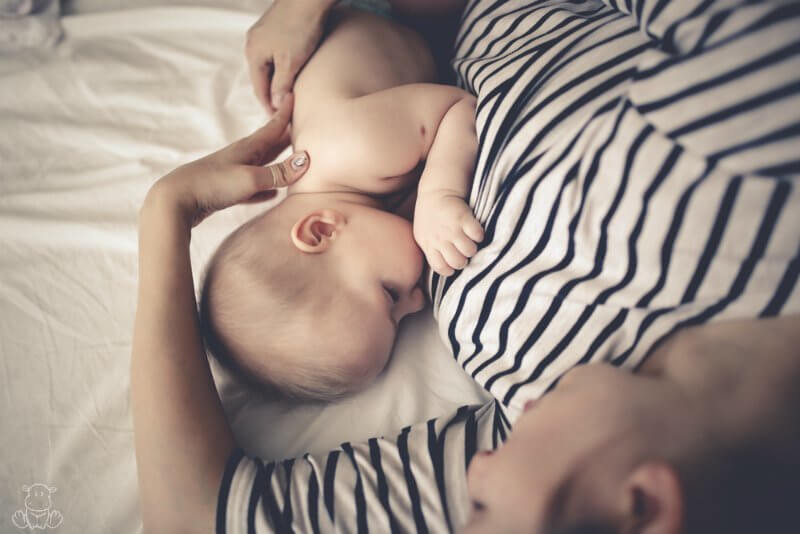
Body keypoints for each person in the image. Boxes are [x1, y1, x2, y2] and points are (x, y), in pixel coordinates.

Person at [132, 0, 800, 532]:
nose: (472, 477)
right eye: (483, 512)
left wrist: (166, 215)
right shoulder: (754, 155)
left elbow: (196, 516)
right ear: (642, 508)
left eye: (470, 511)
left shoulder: (542, 425)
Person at [199, 3, 483, 401]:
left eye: (389, 295)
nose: (417, 302)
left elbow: (458, 107)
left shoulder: (353, 147)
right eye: (401, 319)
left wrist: (440, 194)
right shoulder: (361, 204)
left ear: (322, 230)